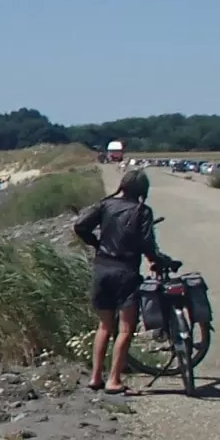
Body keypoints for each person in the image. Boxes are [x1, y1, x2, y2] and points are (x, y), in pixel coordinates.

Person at [72, 169, 176, 395]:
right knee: (126, 329)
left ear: (123, 185)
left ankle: (95, 377)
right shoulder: (143, 211)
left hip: (102, 269)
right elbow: (147, 244)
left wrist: (96, 243)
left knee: (103, 327)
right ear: (142, 191)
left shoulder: (106, 205)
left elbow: (80, 225)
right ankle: (114, 380)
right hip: (126, 273)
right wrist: (157, 260)